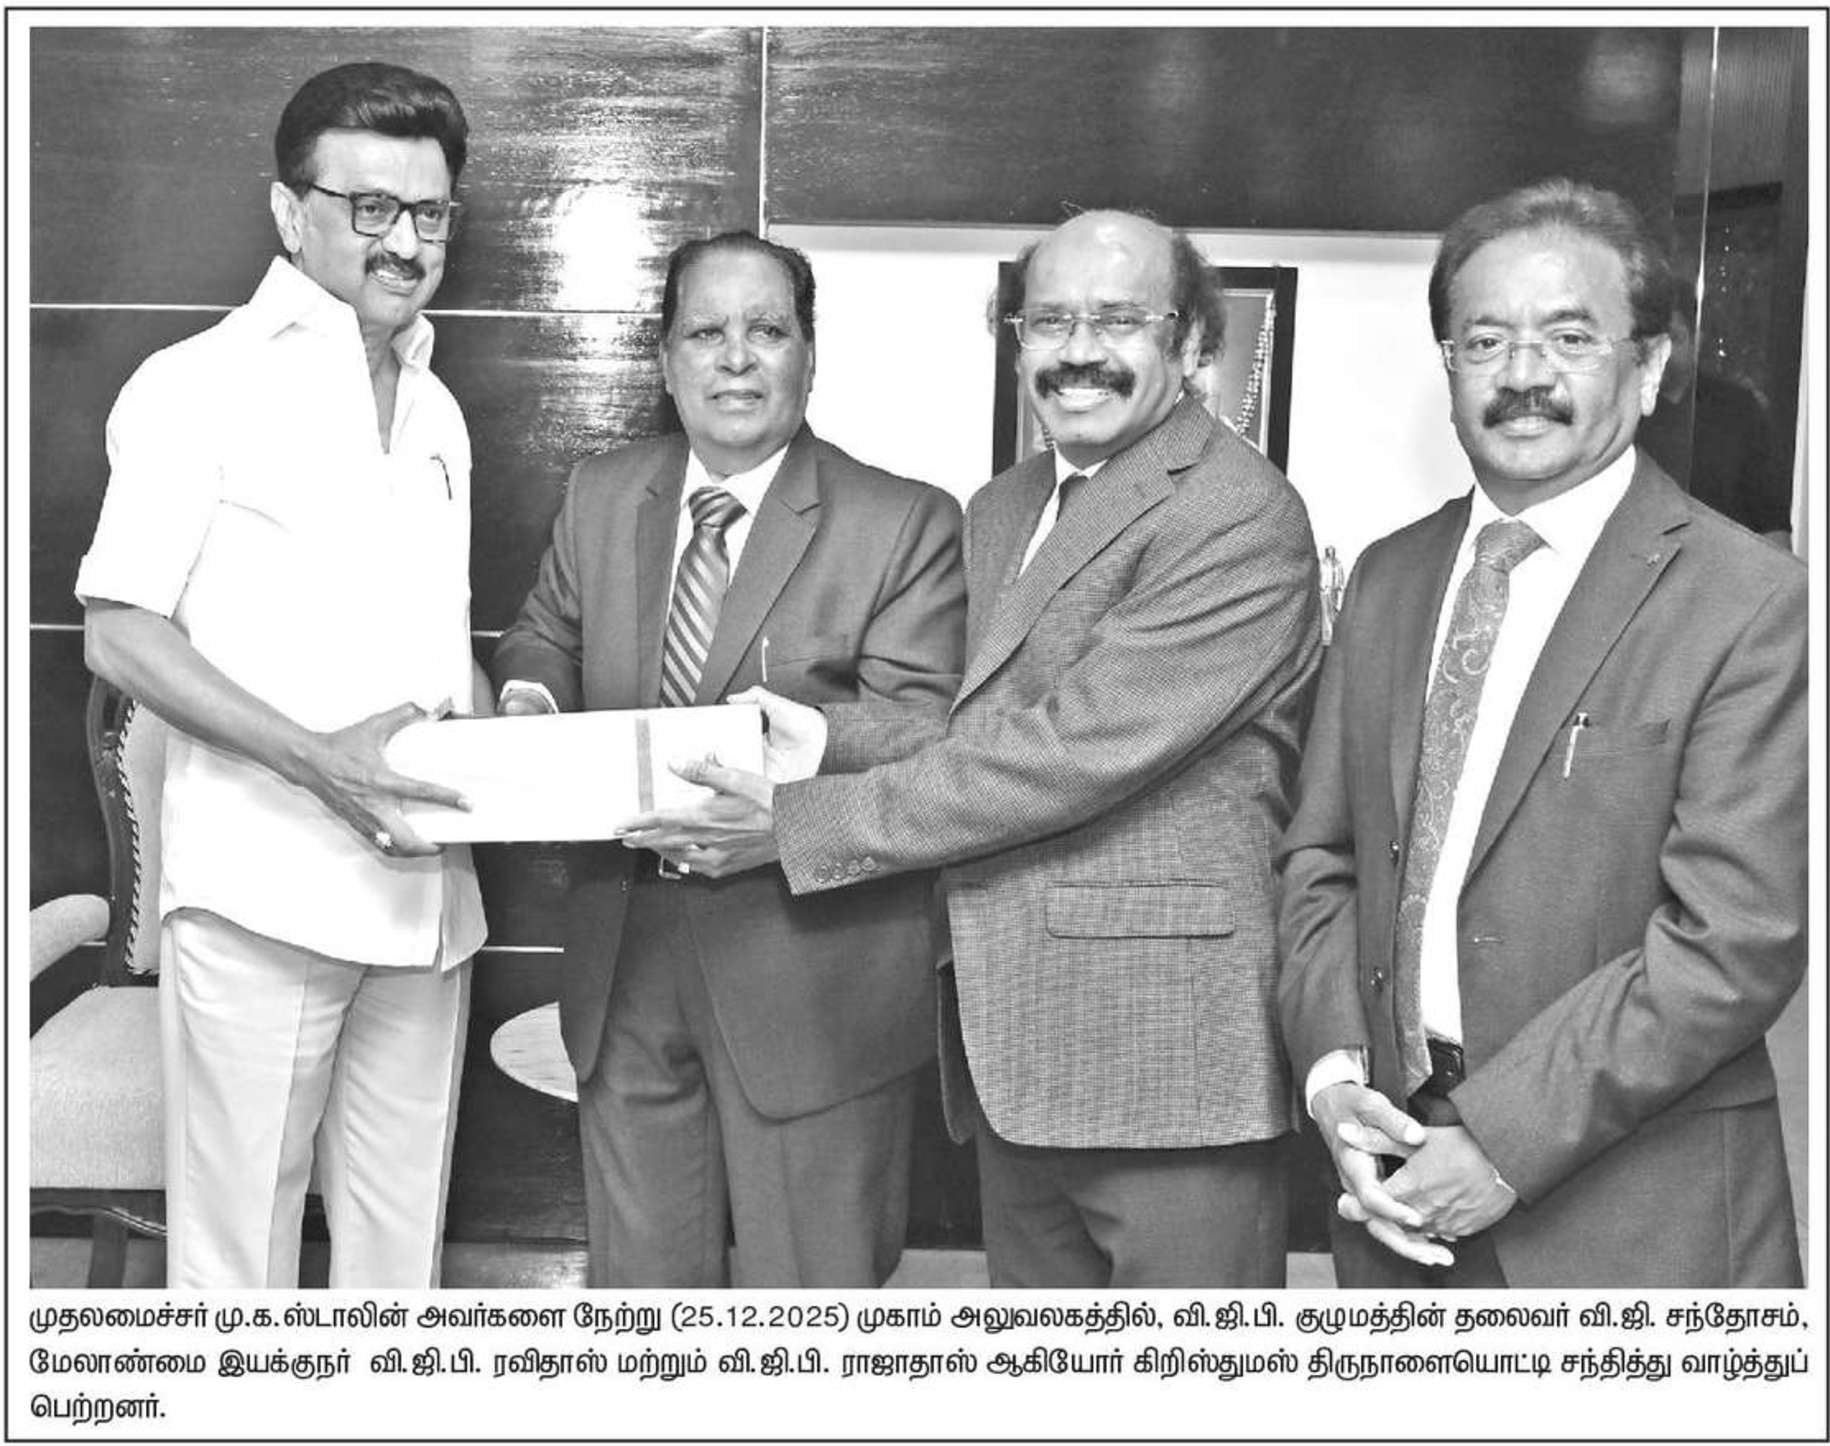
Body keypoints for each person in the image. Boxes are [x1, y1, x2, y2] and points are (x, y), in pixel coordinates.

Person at [626, 210, 1323, 1287]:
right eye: (1048, 320)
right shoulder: (1009, 504)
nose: (1078, 350)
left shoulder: (1239, 513)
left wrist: (796, 825)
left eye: (1119, 320)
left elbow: (1070, 752)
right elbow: (988, 730)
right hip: (1015, 1049)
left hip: (1165, 1061)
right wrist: (822, 737)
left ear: (1191, 343)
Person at [1277, 178, 1806, 1288]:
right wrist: (1334, 1081)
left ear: (1648, 368)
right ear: (1449, 370)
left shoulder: (1750, 601)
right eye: (1484, 342)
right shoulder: (1388, 577)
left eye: (1570, 338)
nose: (1523, 375)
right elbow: (1323, 859)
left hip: (1634, 1224)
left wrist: (1503, 1143)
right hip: (1391, 1195)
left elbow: (1734, 939)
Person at [76, 62, 487, 1288]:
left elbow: (430, 645)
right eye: (371, 207)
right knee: (238, 1272)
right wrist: (318, 764)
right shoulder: (195, 383)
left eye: (429, 213)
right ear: (288, 212)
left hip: (428, 899)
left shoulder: (439, 409)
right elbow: (119, 633)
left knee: (396, 1265)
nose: (404, 242)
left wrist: (513, 737)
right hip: (260, 896)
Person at [491, 231, 965, 1288]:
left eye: (768, 331)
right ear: (667, 362)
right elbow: (545, 633)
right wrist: (530, 699)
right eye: (706, 333)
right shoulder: (603, 491)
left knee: (809, 1316)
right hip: (624, 953)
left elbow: (930, 734)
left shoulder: (904, 521)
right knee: (645, 1312)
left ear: (810, 355)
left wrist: (794, 780)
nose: (737, 358)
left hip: (809, 971)